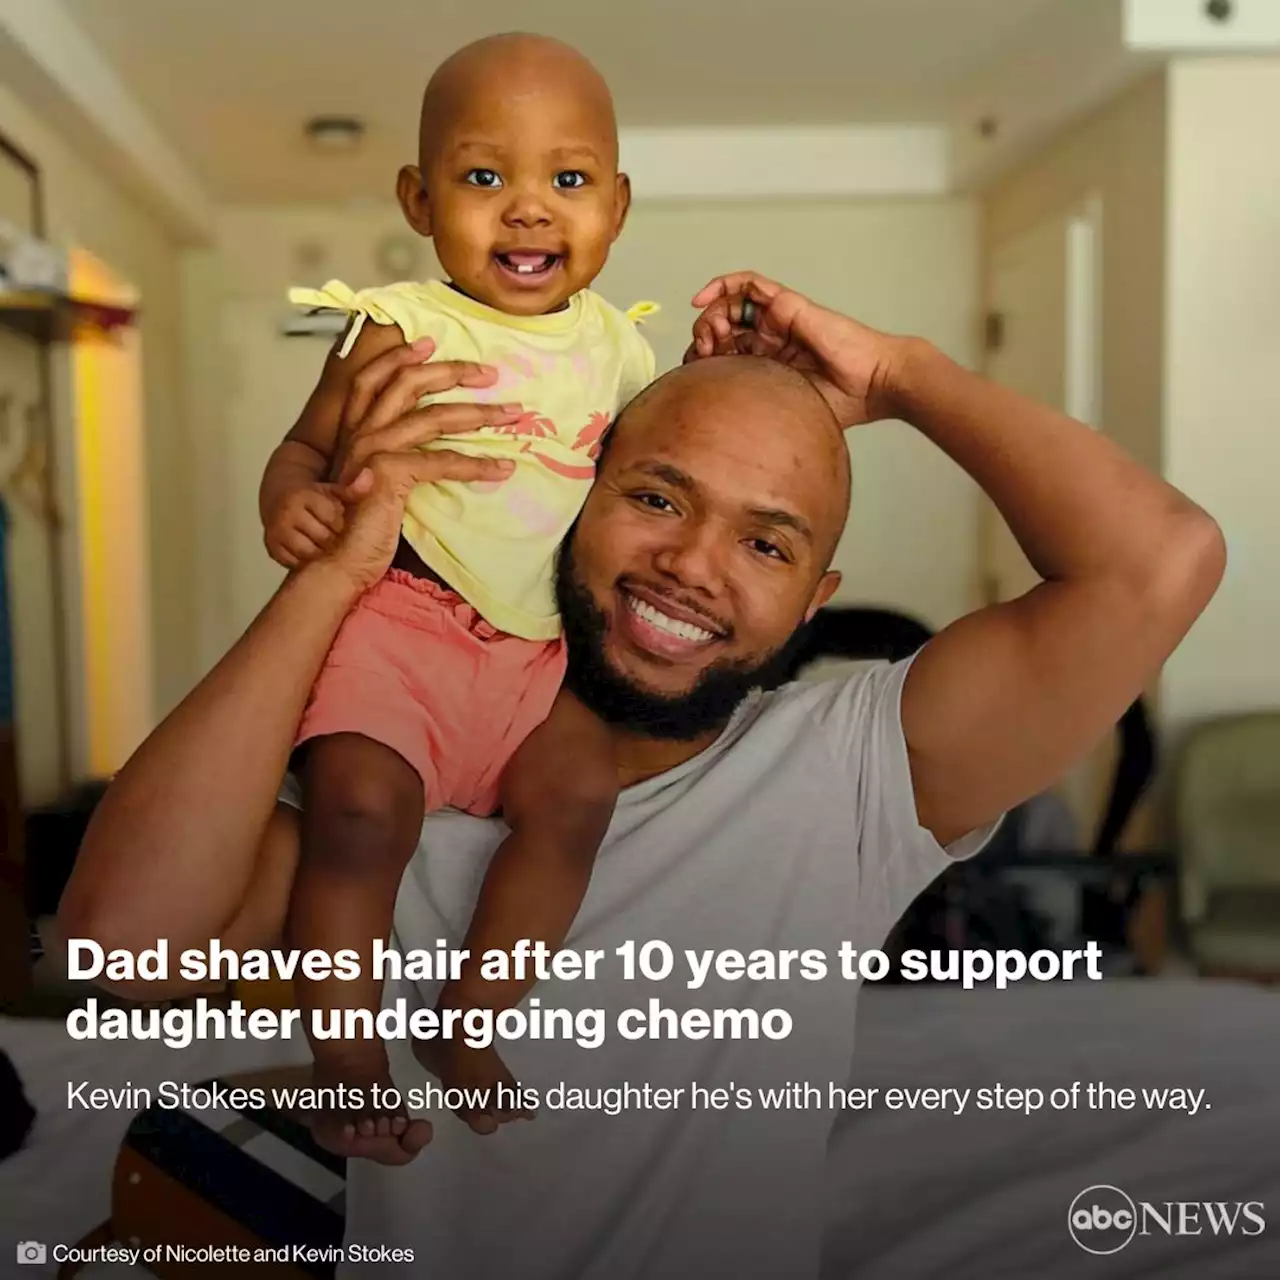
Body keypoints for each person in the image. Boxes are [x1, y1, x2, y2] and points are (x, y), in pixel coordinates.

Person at [59, 273, 1225, 1274]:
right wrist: (332, 576)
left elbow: (1157, 561)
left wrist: (899, 374)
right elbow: (114, 949)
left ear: (813, 598)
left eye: (765, 541)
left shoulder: (849, 773)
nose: (689, 566)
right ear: (571, 502)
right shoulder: (399, 782)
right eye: (655, 497)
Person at [255, 32, 655, 1149]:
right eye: (484, 178)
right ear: (420, 200)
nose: (527, 210)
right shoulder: (400, 325)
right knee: (355, 816)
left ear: (616, 206)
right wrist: (287, 498)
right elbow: (300, 445)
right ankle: (346, 1060)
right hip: (398, 619)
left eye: (566, 181)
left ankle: (468, 1020)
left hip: (537, 650)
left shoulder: (621, 354)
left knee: (578, 799)